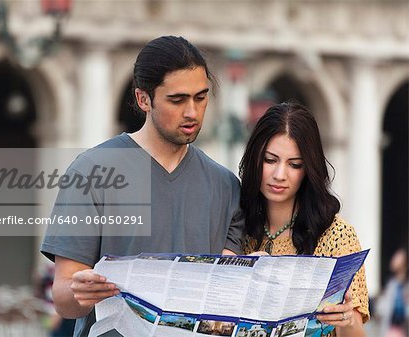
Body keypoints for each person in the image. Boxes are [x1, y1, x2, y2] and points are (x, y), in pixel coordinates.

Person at [40, 35, 244, 337]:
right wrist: (80, 291)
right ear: (143, 99)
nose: (192, 112)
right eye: (177, 100)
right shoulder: (90, 172)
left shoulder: (226, 185)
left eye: (200, 98)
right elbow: (64, 298)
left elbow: (227, 292)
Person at [239, 102, 369, 337]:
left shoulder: (337, 235)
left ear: (308, 169)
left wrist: (346, 320)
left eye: (294, 165)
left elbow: (356, 330)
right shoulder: (238, 228)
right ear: (255, 159)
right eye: (270, 160)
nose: (279, 175)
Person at [376, 248, 409, 337]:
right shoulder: (391, 284)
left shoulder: (405, 286)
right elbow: (381, 310)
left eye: (397, 258)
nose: (393, 260)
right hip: (389, 330)